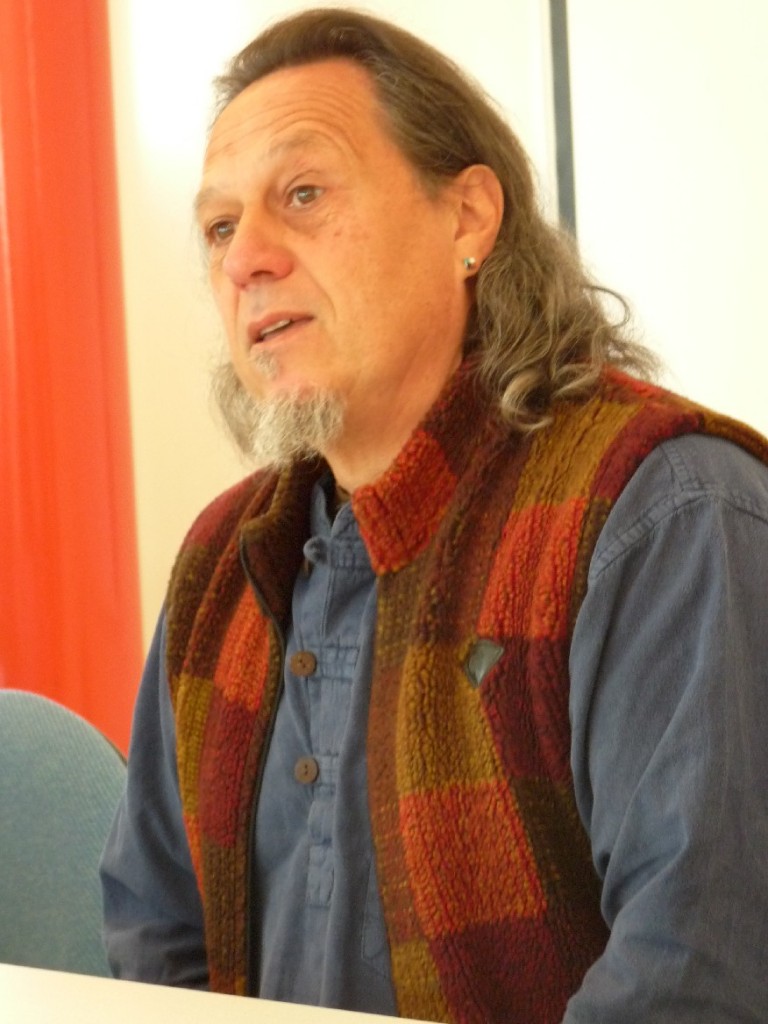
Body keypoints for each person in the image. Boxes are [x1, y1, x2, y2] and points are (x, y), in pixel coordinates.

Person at [100, 8, 768, 1023]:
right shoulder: (218, 560)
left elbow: (693, 981)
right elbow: (153, 946)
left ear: (467, 219)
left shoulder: (665, 513)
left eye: (304, 193)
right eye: (221, 227)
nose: (245, 261)